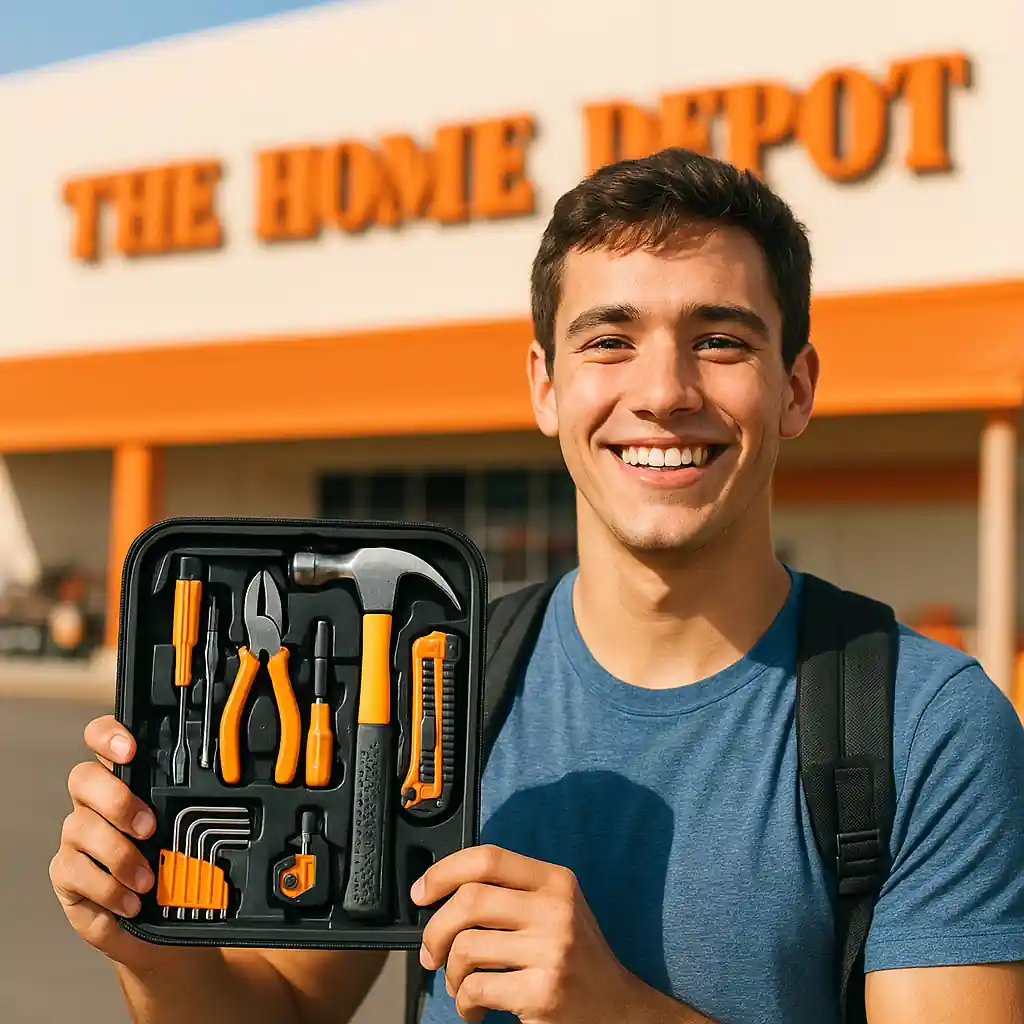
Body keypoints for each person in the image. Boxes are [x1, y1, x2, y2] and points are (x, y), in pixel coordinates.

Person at [51, 148, 1024, 1024]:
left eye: (719, 340)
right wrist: (150, 950)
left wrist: (616, 1012)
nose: (663, 391)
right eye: (609, 340)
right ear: (545, 386)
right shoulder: (437, 683)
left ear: (796, 387)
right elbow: (279, 1015)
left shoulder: (925, 726)